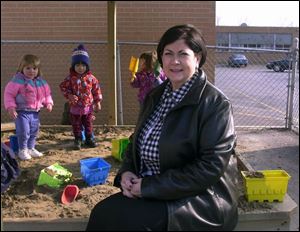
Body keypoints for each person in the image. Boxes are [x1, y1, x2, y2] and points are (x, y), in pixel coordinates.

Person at [86, 24, 239, 231]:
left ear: (198, 58)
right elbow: (135, 142)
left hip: (199, 199)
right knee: (102, 214)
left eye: (183, 54)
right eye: (168, 53)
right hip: (153, 189)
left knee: (124, 221)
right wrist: (127, 172)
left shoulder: (215, 104)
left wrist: (149, 187)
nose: (174, 61)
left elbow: (210, 167)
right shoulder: (155, 96)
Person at [4, 54, 54, 160]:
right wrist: (11, 107)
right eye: (28, 68)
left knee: (34, 131)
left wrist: (48, 103)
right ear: (22, 68)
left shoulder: (41, 82)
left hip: (35, 112)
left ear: (38, 70)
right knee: (24, 131)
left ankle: (31, 148)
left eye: (34, 68)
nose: (31, 71)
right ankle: (22, 150)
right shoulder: (17, 81)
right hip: (21, 112)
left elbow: (46, 94)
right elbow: (9, 94)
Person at [59, 44, 102, 150]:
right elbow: (63, 87)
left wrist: (97, 102)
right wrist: (69, 95)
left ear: (87, 66)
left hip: (88, 107)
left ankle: (89, 138)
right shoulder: (70, 78)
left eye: (83, 65)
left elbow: (96, 90)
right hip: (75, 107)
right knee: (76, 124)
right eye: (77, 65)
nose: (80, 67)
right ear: (73, 66)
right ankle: (78, 139)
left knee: (88, 124)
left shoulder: (91, 78)